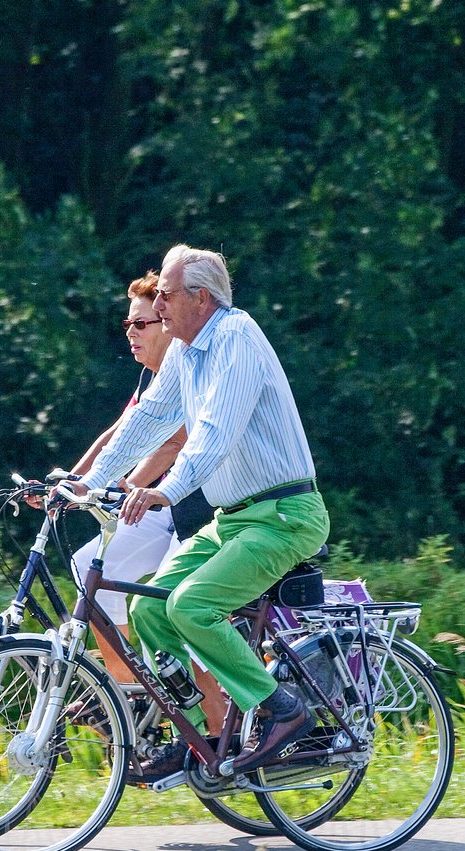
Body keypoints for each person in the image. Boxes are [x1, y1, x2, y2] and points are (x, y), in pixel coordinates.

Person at [75, 244, 330, 784]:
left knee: (191, 607)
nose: (158, 303)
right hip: (236, 518)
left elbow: (214, 432)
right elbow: (144, 425)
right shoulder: (187, 353)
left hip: (285, 514)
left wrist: (168, 490)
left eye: (165, 294)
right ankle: (202, 741)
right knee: (149, 610)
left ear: (200, 297)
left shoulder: (236, 339)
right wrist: (86, 483)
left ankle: (283, 710)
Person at [50, 273, 229, 731]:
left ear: (168, 325)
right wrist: (77, 479)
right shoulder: (152, 378)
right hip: (161, 507)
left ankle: (214, 734)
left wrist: (124, 485)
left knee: (173, 604)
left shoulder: (191, 365)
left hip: (199, 508)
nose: (130, 332)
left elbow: (176, 440)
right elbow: (121, 429)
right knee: (88, 566)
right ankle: (129, 696)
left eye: (142, 324)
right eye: (127, 324)